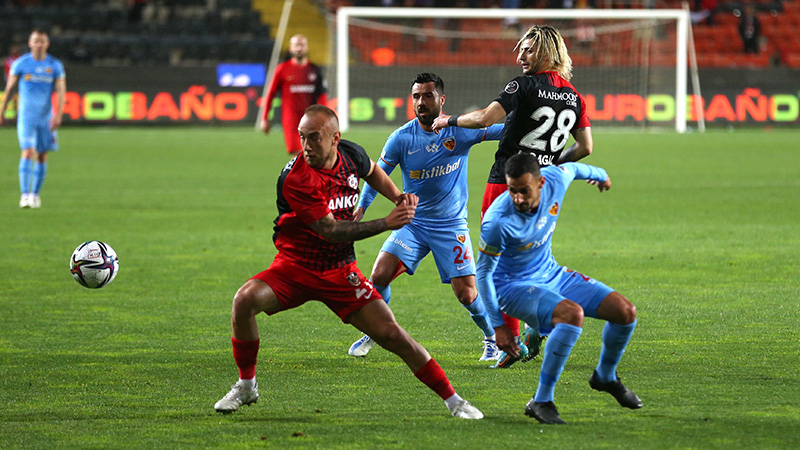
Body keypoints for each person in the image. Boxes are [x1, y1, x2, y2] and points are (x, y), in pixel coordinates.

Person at [214, 105, 483, 420]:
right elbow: (329, 231)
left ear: (335, 138)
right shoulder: (297, 177)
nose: (306, 146)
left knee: (393, 335)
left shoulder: (351, 155)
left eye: (314, 138)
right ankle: (247, 385)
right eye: (302, 138)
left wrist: (398, 196)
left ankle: (454, 401)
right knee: (244, 300)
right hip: (295, 267)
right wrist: (387, 222)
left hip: (340, 272)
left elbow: (372, 171)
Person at [432, 25, 593, 367]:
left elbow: (486, 118)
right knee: (525, 258)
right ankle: (537, 326)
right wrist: (548, 168)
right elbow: (586, 147)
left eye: (528, 51)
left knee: (497, 266)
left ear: (548, 52)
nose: (520, 57)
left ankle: (514, 340)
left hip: (505, 182)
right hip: (541, 188)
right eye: (519, 50)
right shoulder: (575, 96)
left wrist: (450, 120)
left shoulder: (522, 86)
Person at [346, 73, 504, 361]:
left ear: (441, 100)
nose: (421, 101)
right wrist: (362, 207)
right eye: (416, 96)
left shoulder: (459, 130)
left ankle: (491, 338)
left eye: (427, 95)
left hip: (450, 225)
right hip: (414, 223)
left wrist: (534, 129)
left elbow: (499, 130)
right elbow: (376, 176)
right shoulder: (401, 138)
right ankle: (376, 329)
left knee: (467, 295)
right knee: (379, 274)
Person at [476, 152, 642, 424]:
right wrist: (499, 327)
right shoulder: (497, 221)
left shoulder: (556, 179)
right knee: (571, 314)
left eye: (524, 191)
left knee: (625, 312)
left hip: (551, 273)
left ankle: (605, 376)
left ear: (541, 183)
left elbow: (574, 168)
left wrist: (602, 176)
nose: (517, 198)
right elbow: (483, 274)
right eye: (512, 190)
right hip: (512, 287)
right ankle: (541, 400)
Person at [0, 29, 66, 209]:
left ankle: (35, 195)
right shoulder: (21, 64)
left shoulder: (54, 65)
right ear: (30, 43)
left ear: (47, 43)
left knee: (42, 155)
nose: (39, 44)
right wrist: (2, 109)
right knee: (28, 152)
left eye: (42, 41)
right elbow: (9, 89)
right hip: (26, 117)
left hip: (46, 118)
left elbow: (61, 92)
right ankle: (25, 195)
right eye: (36, 41)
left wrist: (59, 114)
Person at [261, 34, 328, 157]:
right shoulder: (282, 69)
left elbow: (322, 95)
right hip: (291, 121)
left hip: (311, 120)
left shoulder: (315, 70)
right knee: (297, 155)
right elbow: (270, 94)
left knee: (313, 155)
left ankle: (307, 176)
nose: (299, 48)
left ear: (307, 48)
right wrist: (264, 118)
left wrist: (325, 118)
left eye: (302, 45)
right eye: (296, 45)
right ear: (291, 49)